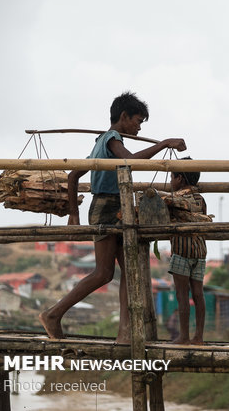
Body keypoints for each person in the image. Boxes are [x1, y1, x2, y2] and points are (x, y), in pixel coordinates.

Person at [39, 92, 187, 342]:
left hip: (119, 208)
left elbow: (74, 174)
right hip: (107, 208)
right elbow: (129, 160)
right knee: (103, 272)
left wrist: (74, 213)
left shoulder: (101, 143)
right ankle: (53, 314)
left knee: (130, 272)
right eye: (138, 121)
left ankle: (124, 334)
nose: (139, 127)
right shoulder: (111, 138)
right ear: (124, 116)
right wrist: (163, 144)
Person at [165, 158, 208, 345]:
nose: (170, 182)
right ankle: (198, 336)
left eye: (172, 178)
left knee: (182, 295)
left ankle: (183, 336)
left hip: (182, 250)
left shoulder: (174, 199)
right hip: (200, 251)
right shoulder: (201, 199)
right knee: (198, 294)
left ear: (180, 178)